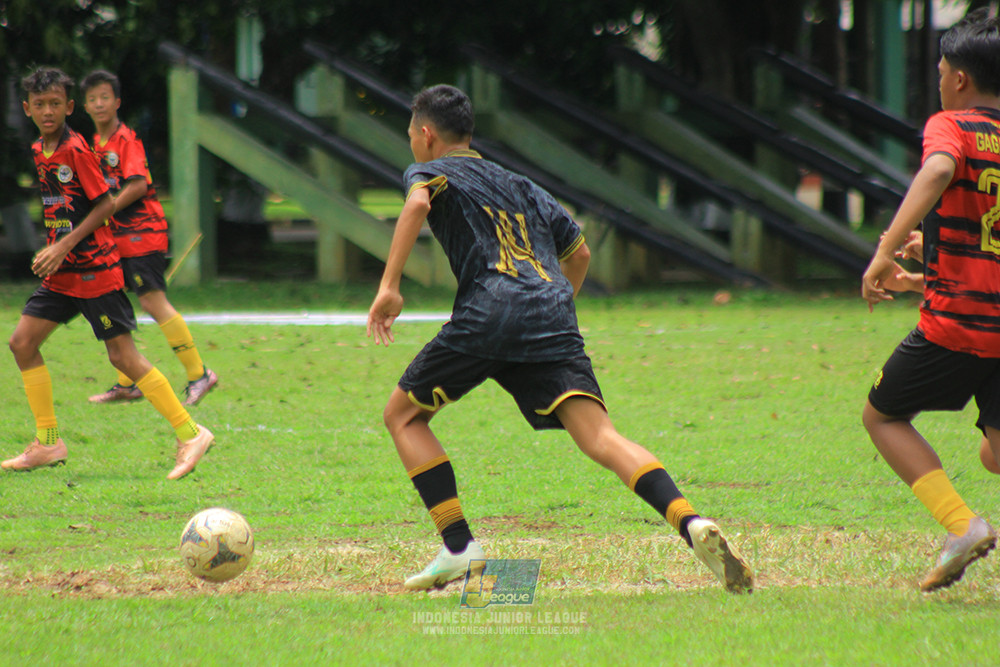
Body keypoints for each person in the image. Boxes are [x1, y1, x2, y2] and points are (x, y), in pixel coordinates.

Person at [366, 84, 753, 593]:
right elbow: (581, 255)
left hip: (491, 309)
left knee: (404, 415)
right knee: (602, 438)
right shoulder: (520, 182)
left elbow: (416, 205)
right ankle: (690, 521)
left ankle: (459, 549)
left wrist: (389, 286)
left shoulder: (432, 170)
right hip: (552, 311)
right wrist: (549, 307)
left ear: (425, 134)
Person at [3, 67, 213, 480]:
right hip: (63, 273)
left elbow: (103, 206)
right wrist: (56, 249)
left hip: (95, 270)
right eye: (40, 105)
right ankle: (48, 443)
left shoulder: (77, 150)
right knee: (22, 343)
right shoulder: (39, 150)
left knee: (123, 356)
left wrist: (62, 245)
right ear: (27, 109)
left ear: (69, 107)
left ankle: (191, 433)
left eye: (56, 104)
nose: (48, 112)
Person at [861, 9, 1000, 592]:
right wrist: (925, 269)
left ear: (960, 79)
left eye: (942, 71)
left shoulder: (952, 124)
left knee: (882, 414)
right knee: (996, 454)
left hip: (958, 327)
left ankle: (960, 525)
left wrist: (885, 249)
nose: (939, 81)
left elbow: (940, 170)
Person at [80, 70, 217, 406]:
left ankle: (200, 374)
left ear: (117, 102)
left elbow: (138, 184)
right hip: (115, 237)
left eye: (105, 97)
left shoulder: (126, 139)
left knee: (151, 302)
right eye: (93, 99)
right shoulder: (92, 145)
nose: (99, 104)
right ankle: (129, 382)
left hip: (142, 234)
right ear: (84, 106)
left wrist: (106, 208)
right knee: (116, 301)